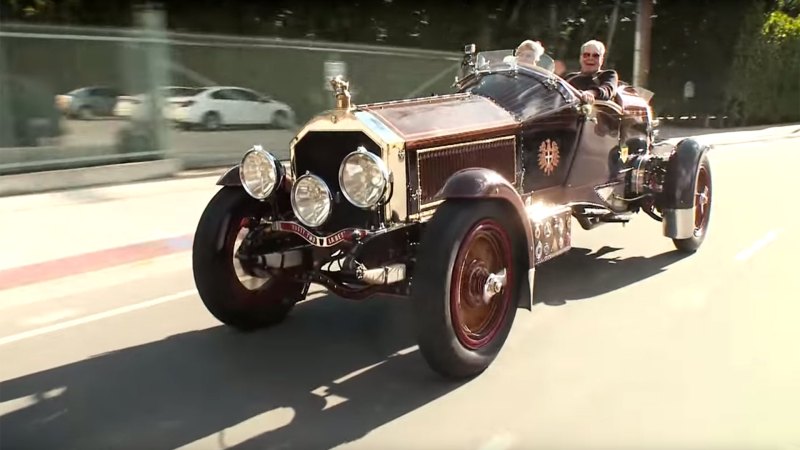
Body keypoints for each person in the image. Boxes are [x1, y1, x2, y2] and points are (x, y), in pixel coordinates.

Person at [564, 40, 618, 104]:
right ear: (580, 58)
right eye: (586, 55)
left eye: (595, 56)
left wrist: (591, 93)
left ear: (602, 60)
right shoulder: (570, 77)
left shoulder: (608, 74)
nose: (590, 58)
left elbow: (607, 90)